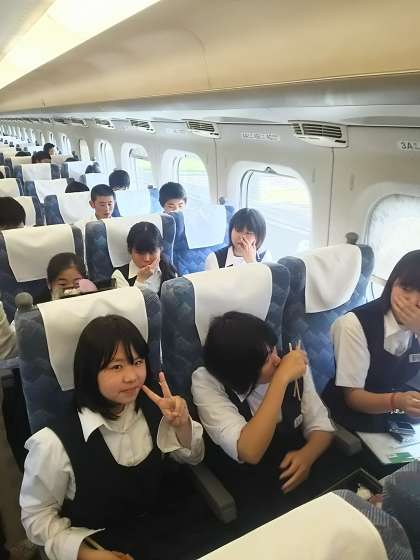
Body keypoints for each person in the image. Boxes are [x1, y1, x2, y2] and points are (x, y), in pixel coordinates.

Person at [20, 315, 204, 560]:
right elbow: (37, 517)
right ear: (90, 372)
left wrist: (182, 426)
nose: (132, 376)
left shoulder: (157, 409)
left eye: (137, 362)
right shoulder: (52, 444)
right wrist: (84, 554)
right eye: (116, 367)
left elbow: (193, 458)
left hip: (167, 533)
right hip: (103, 546)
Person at [192, 312, 352, 529]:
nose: (277, 360)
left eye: (273, 349)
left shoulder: (289, 361)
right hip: (249, 482)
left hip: (294, 464)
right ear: (241, 371)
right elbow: (250, 450)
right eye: (266, 360)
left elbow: (320, 423)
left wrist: (308, 455)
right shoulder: (207, 383)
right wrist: (280, 380)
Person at [323, 250, 420, 433]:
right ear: (392, 284)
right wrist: (397, 401)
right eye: (406, 288)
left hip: (396, 416)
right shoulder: (353, 325)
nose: (413, 301)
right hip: (352, 417)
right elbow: (353, 397)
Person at [112, 222, 177, 295]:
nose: (146, 259)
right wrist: (140, 281)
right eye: (140, 253)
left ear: (161, 249)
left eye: (152, 252)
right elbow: (130, 302)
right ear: (130, 250)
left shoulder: (167, 267)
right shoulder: (119, 276)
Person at [205, 208, 272, 270]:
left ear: (259, 236)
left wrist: (251, 262)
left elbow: (263, 279)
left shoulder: (264, 257)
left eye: (249, 233)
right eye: (238, 230)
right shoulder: (215, 259)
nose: (242, 237)